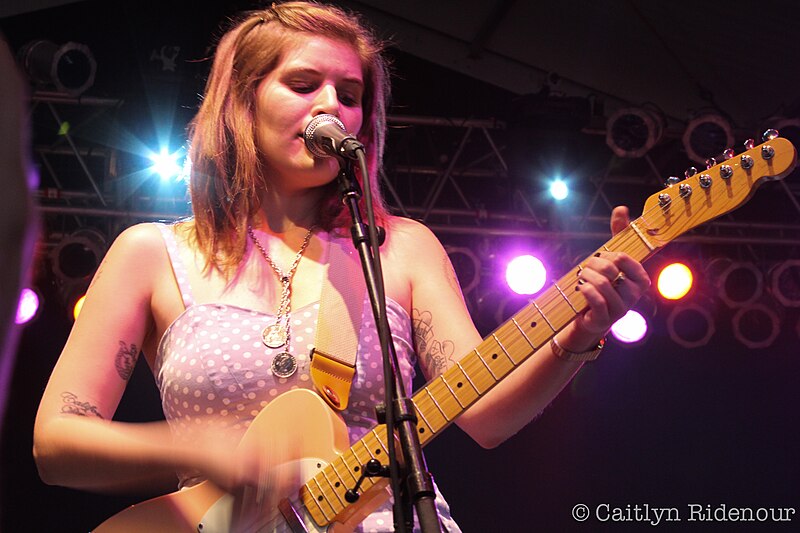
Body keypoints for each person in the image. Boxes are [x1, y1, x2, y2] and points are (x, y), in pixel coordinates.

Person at [32, 1, 650, 531]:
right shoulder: (152, 254)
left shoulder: (398, 249)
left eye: (350, 96)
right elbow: (57, 441)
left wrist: (580, 335)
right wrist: (199, 451)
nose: (333, 106)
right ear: (242, 105)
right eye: (304, 86)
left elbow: (485, 416)